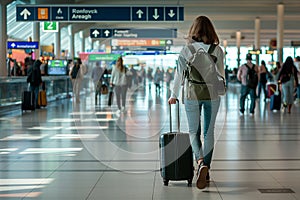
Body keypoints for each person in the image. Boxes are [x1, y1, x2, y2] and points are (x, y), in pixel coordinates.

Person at [168, 15, 225, 189]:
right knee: (209, 132)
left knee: (194, 131)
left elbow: (179, 75)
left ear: (193, 31)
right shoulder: (217, 50)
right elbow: (221, 74)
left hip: (192, 94)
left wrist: (173, 95)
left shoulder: (187, 50)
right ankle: (206, 168)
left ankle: (200, 162)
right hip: (212, 94)